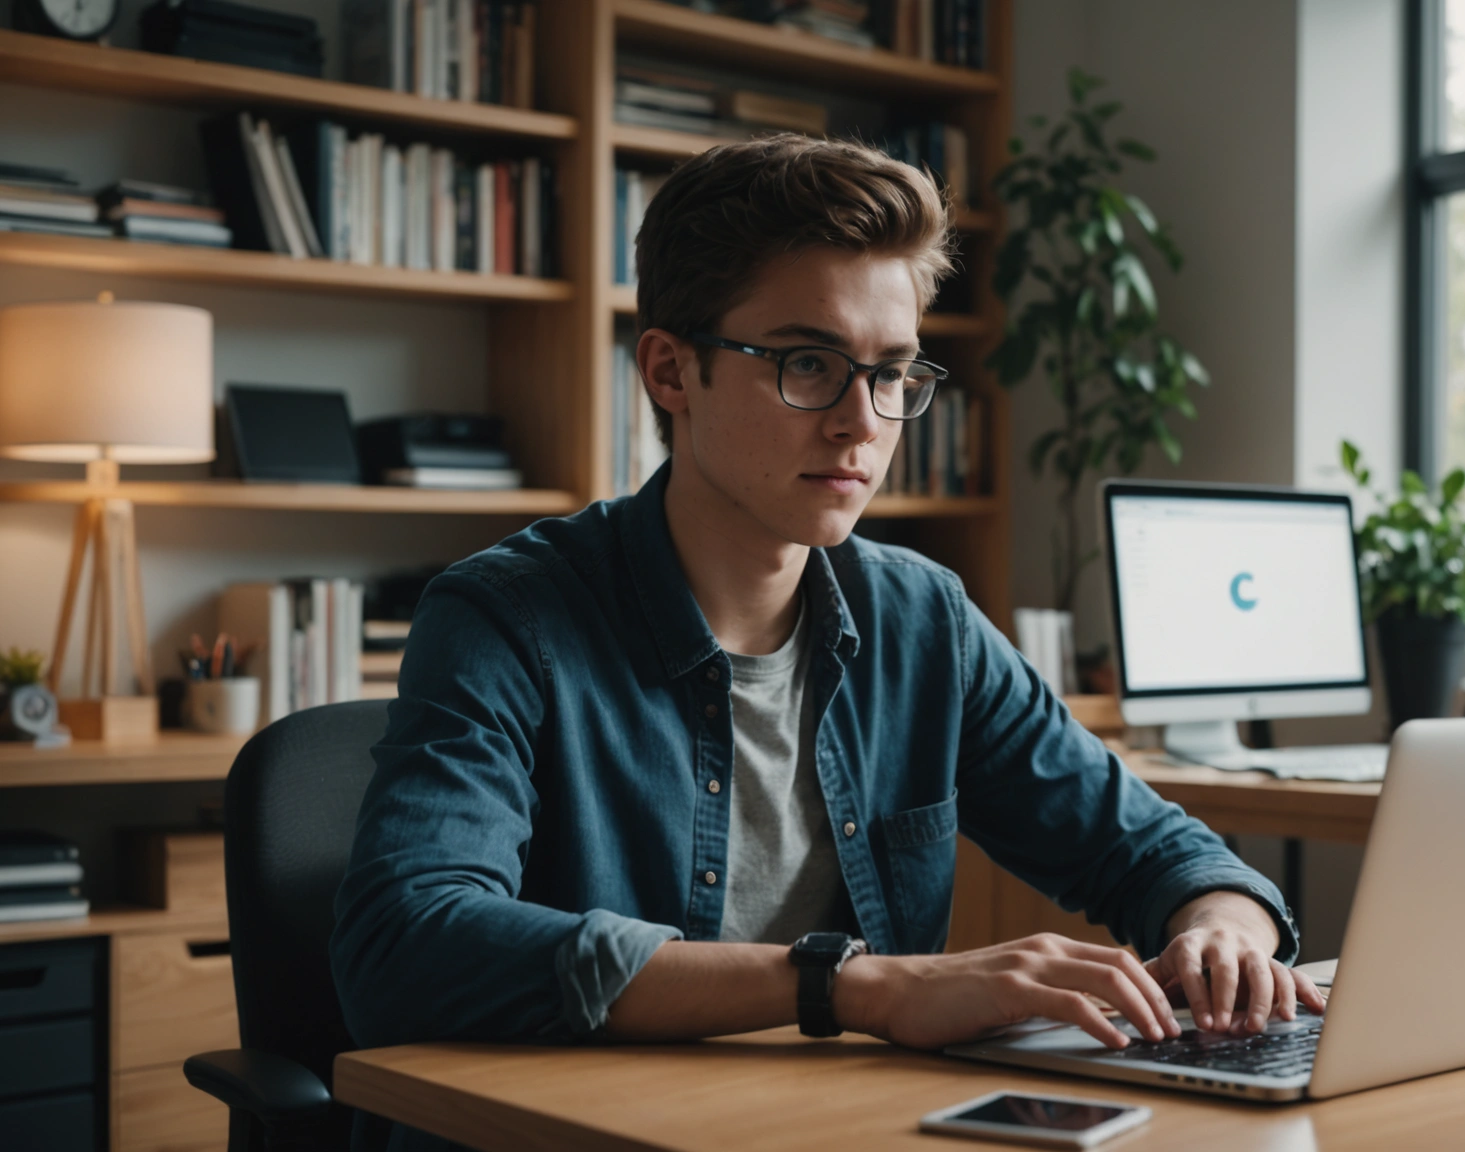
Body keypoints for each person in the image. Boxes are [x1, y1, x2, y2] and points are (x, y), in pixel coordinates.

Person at [331, 135, 1322, 1148]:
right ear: (671, 371)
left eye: (891, 373)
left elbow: (1151, 850)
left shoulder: (923, 619)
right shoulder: (506, 618)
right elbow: (404, 946)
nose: (862, 422)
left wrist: (1221, 933)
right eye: (808, 364)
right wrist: (854, 986)